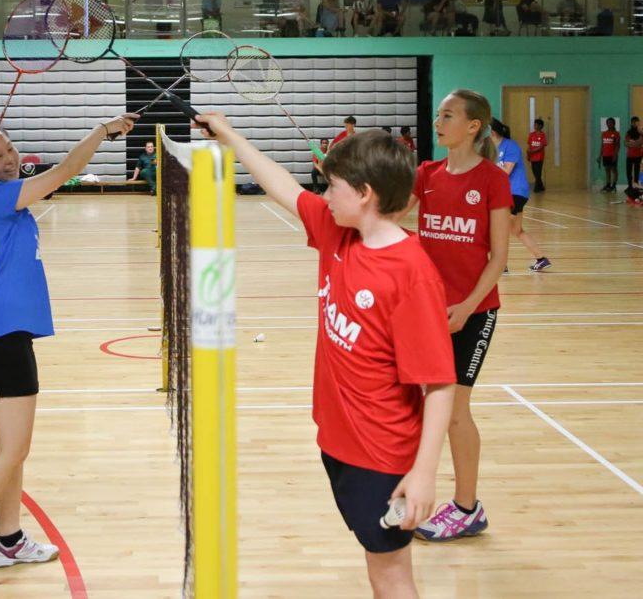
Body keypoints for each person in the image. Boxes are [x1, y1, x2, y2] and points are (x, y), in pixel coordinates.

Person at [193, 112, 455, 599]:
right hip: (338, 442)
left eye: (332, 186)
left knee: (391, 574)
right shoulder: (341, 233)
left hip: (383, 454)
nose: (324, 195)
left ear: (364, 194)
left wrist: (423, 474)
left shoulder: (411, 275)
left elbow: (439, 385)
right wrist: (230, 136)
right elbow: (284, 187)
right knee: (379, 568)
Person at [0, 113, 138, 596]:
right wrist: (102, 132)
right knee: (10, 450)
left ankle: (10, 540)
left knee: (14, 450)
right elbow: (63, 173)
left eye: (10, 148)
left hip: (8, 334)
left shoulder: (4, 202)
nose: (11, 157)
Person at [406, 89, 511, 543]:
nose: (438, 121)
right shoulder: (426, 173)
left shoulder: (491, 180)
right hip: (427, 310)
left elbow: (499, 258)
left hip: (473, 312)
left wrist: (466, 308)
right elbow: (391, 215)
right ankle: (413, 489)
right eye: (438, 114)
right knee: (420, 406)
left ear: (473, 126)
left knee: (453, 412)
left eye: (448, 115)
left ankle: (467, 508)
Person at [493, 119, 551, 272]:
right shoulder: (492, 149)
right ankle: (541, 259)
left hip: (515, 192)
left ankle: (500, 264)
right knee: (516, 230)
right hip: (509, 193)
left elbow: (506, 172)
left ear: (492, 131)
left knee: (499, 228)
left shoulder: (510, 146)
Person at [526, 118, 548, 192]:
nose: (534, 126)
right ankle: (541, 186)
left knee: (538, 172)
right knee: (534, 172)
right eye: (534, 124)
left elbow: (542, 146)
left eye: (536, 124)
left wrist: (533, 151)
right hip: (532, 157)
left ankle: (536, 188)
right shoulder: (531, 135)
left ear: (540, 126)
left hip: (539, 157)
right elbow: (529, 145)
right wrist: (528, 153)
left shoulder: (542, 135)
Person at [600, 117, 620, 192]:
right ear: (607, 124)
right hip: (605, 155)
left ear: (614, 124)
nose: (609, 124)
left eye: (611, 123)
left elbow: (618, 146)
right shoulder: (604, 134)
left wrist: (615, 155)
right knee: (607, 170)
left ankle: (614, 185)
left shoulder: (616, 134)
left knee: (614, 170)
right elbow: (602, 145)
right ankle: (608, 185)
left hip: (613, 155)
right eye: (608, 123)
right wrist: (600, 156)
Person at [626, 116, 642, 191]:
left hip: (638, 155)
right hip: (629, 155)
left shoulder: (641, 132)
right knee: (628, 171)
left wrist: (633, 143)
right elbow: (626, 143)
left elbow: (640, 143)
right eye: (634, 122)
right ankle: (630, 186)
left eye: (637, 122)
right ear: (632, 123)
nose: (635, 124)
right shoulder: (628, 132)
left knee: (636, 171)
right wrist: (636, 143)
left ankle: (635, 185)